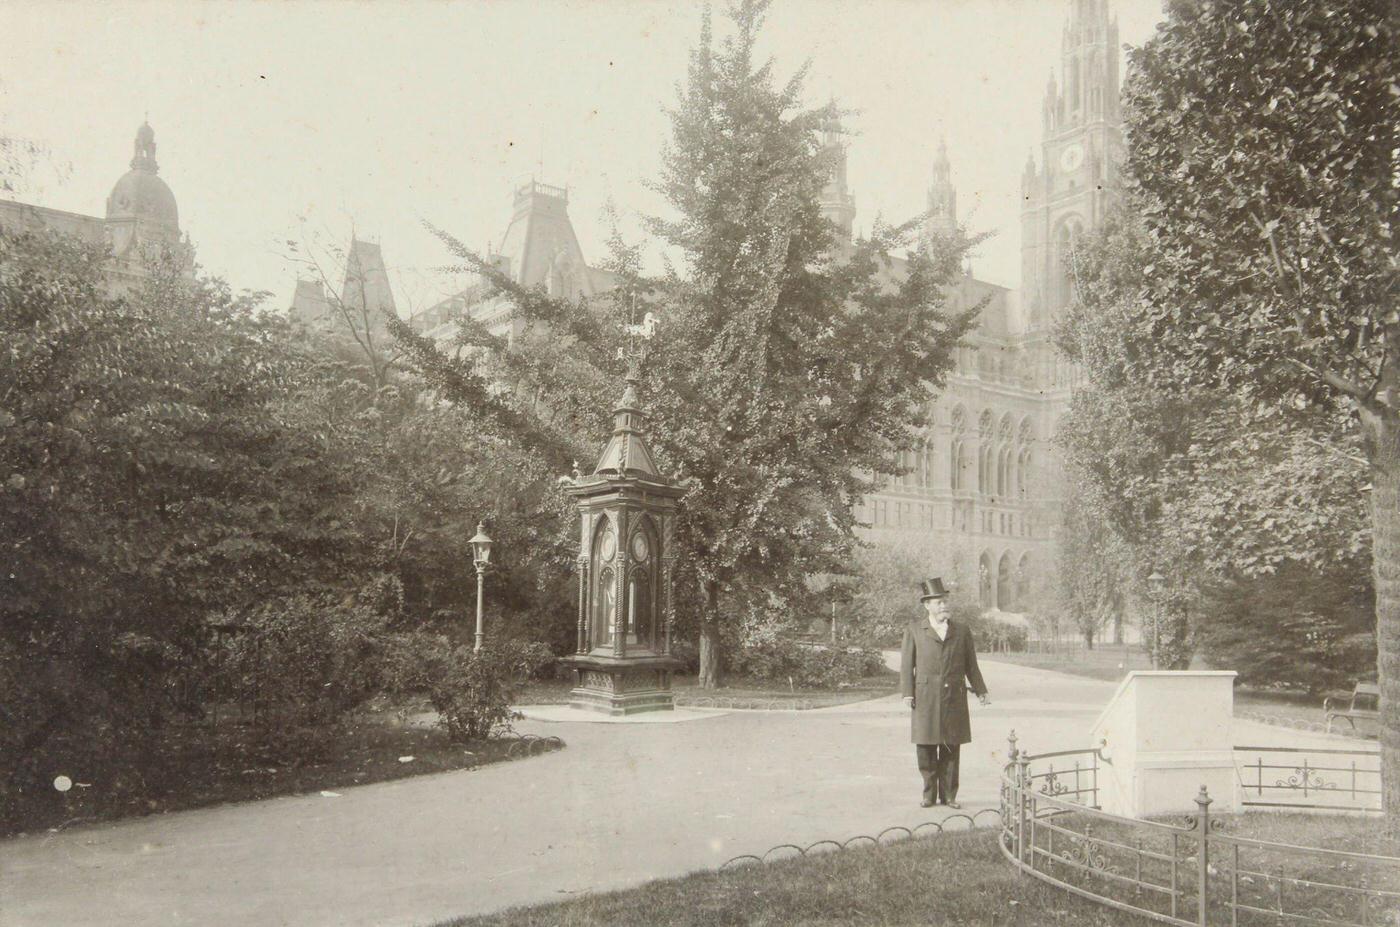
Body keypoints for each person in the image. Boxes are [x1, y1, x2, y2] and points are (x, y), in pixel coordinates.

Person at [900, 578, 990, 808]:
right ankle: (928, 795)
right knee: (926, 746)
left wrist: (981, 691)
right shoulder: (914, 630)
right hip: (925, 697)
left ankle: (949, 795)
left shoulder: (961, 631)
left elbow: (971, 665)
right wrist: (908, 693)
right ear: (927, 605)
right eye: (938, 602)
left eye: (945, 602)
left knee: (951, 746)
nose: (944, 606)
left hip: (954, 697)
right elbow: (906, 665)